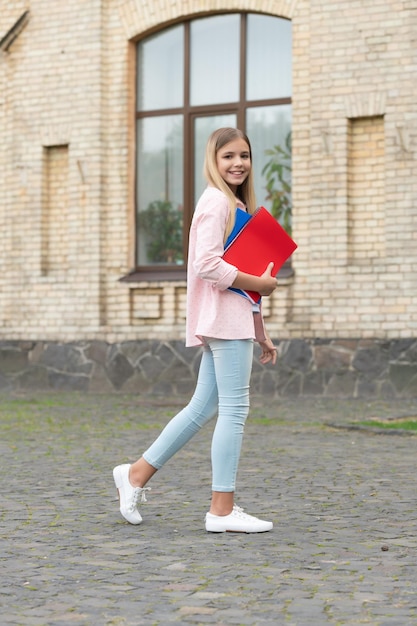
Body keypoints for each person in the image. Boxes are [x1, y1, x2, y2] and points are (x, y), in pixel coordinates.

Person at [113, 127, 279, 533]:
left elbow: (247, 277)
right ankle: (221, 509)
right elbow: (207, 264)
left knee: (203, 408)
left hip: (233, 319)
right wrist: (259, 285)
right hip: (223, 321)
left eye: (244, 155)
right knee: (235, 410)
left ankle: (135, 474)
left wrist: (260, 329)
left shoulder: (237, 206)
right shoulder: (216, 203)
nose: (238, 163)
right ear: (213, 161)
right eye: (228, 157)